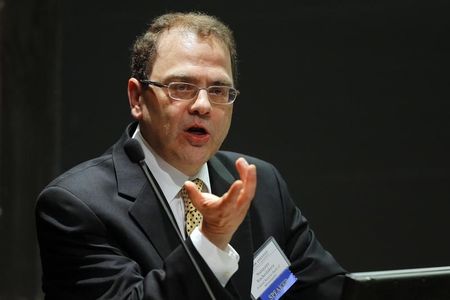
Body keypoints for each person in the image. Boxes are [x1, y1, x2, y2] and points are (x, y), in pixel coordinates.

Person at [36, 12, 346, 299]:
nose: (203, 106)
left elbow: (330, 291)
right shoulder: (77, 206)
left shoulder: (261, 185)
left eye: (218, 90)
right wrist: (210, 242)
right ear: (137, 98)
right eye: (182, 87)